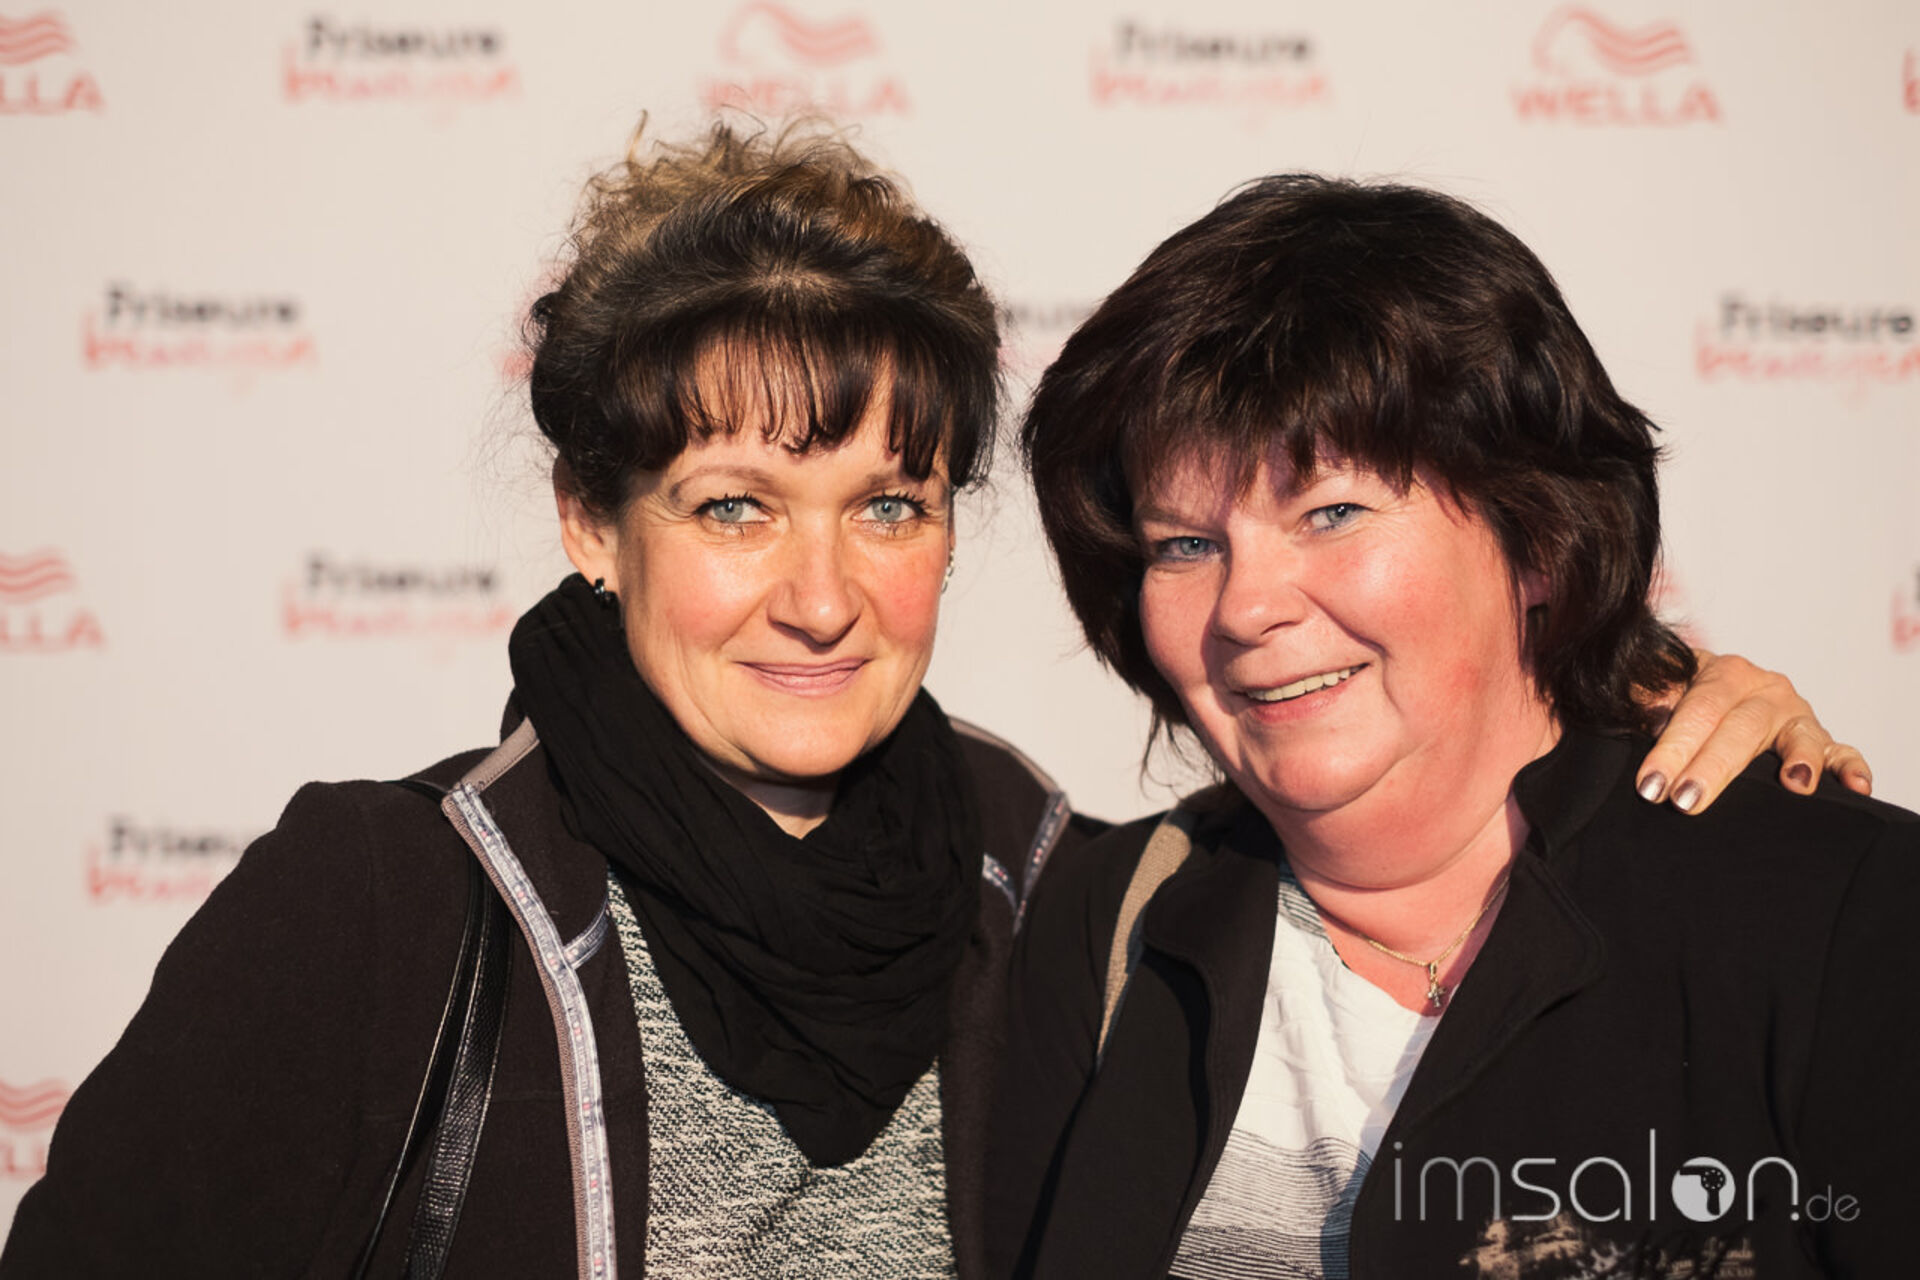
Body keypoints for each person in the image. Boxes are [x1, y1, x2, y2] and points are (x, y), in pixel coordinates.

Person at [0, 126, 1868, 1279]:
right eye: (734, 508)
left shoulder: (1038, 882)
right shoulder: (389, 905)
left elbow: (1433, 757)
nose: (822, 596)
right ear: (590, 522)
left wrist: (1635, 695)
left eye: (887, 505)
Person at [996, 174, 1912, 1279]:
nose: (1245, 608)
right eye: (1185, 544)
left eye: (1331, 511)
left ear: (1538, 540)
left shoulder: (1844, 917)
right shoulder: (1102, 926)